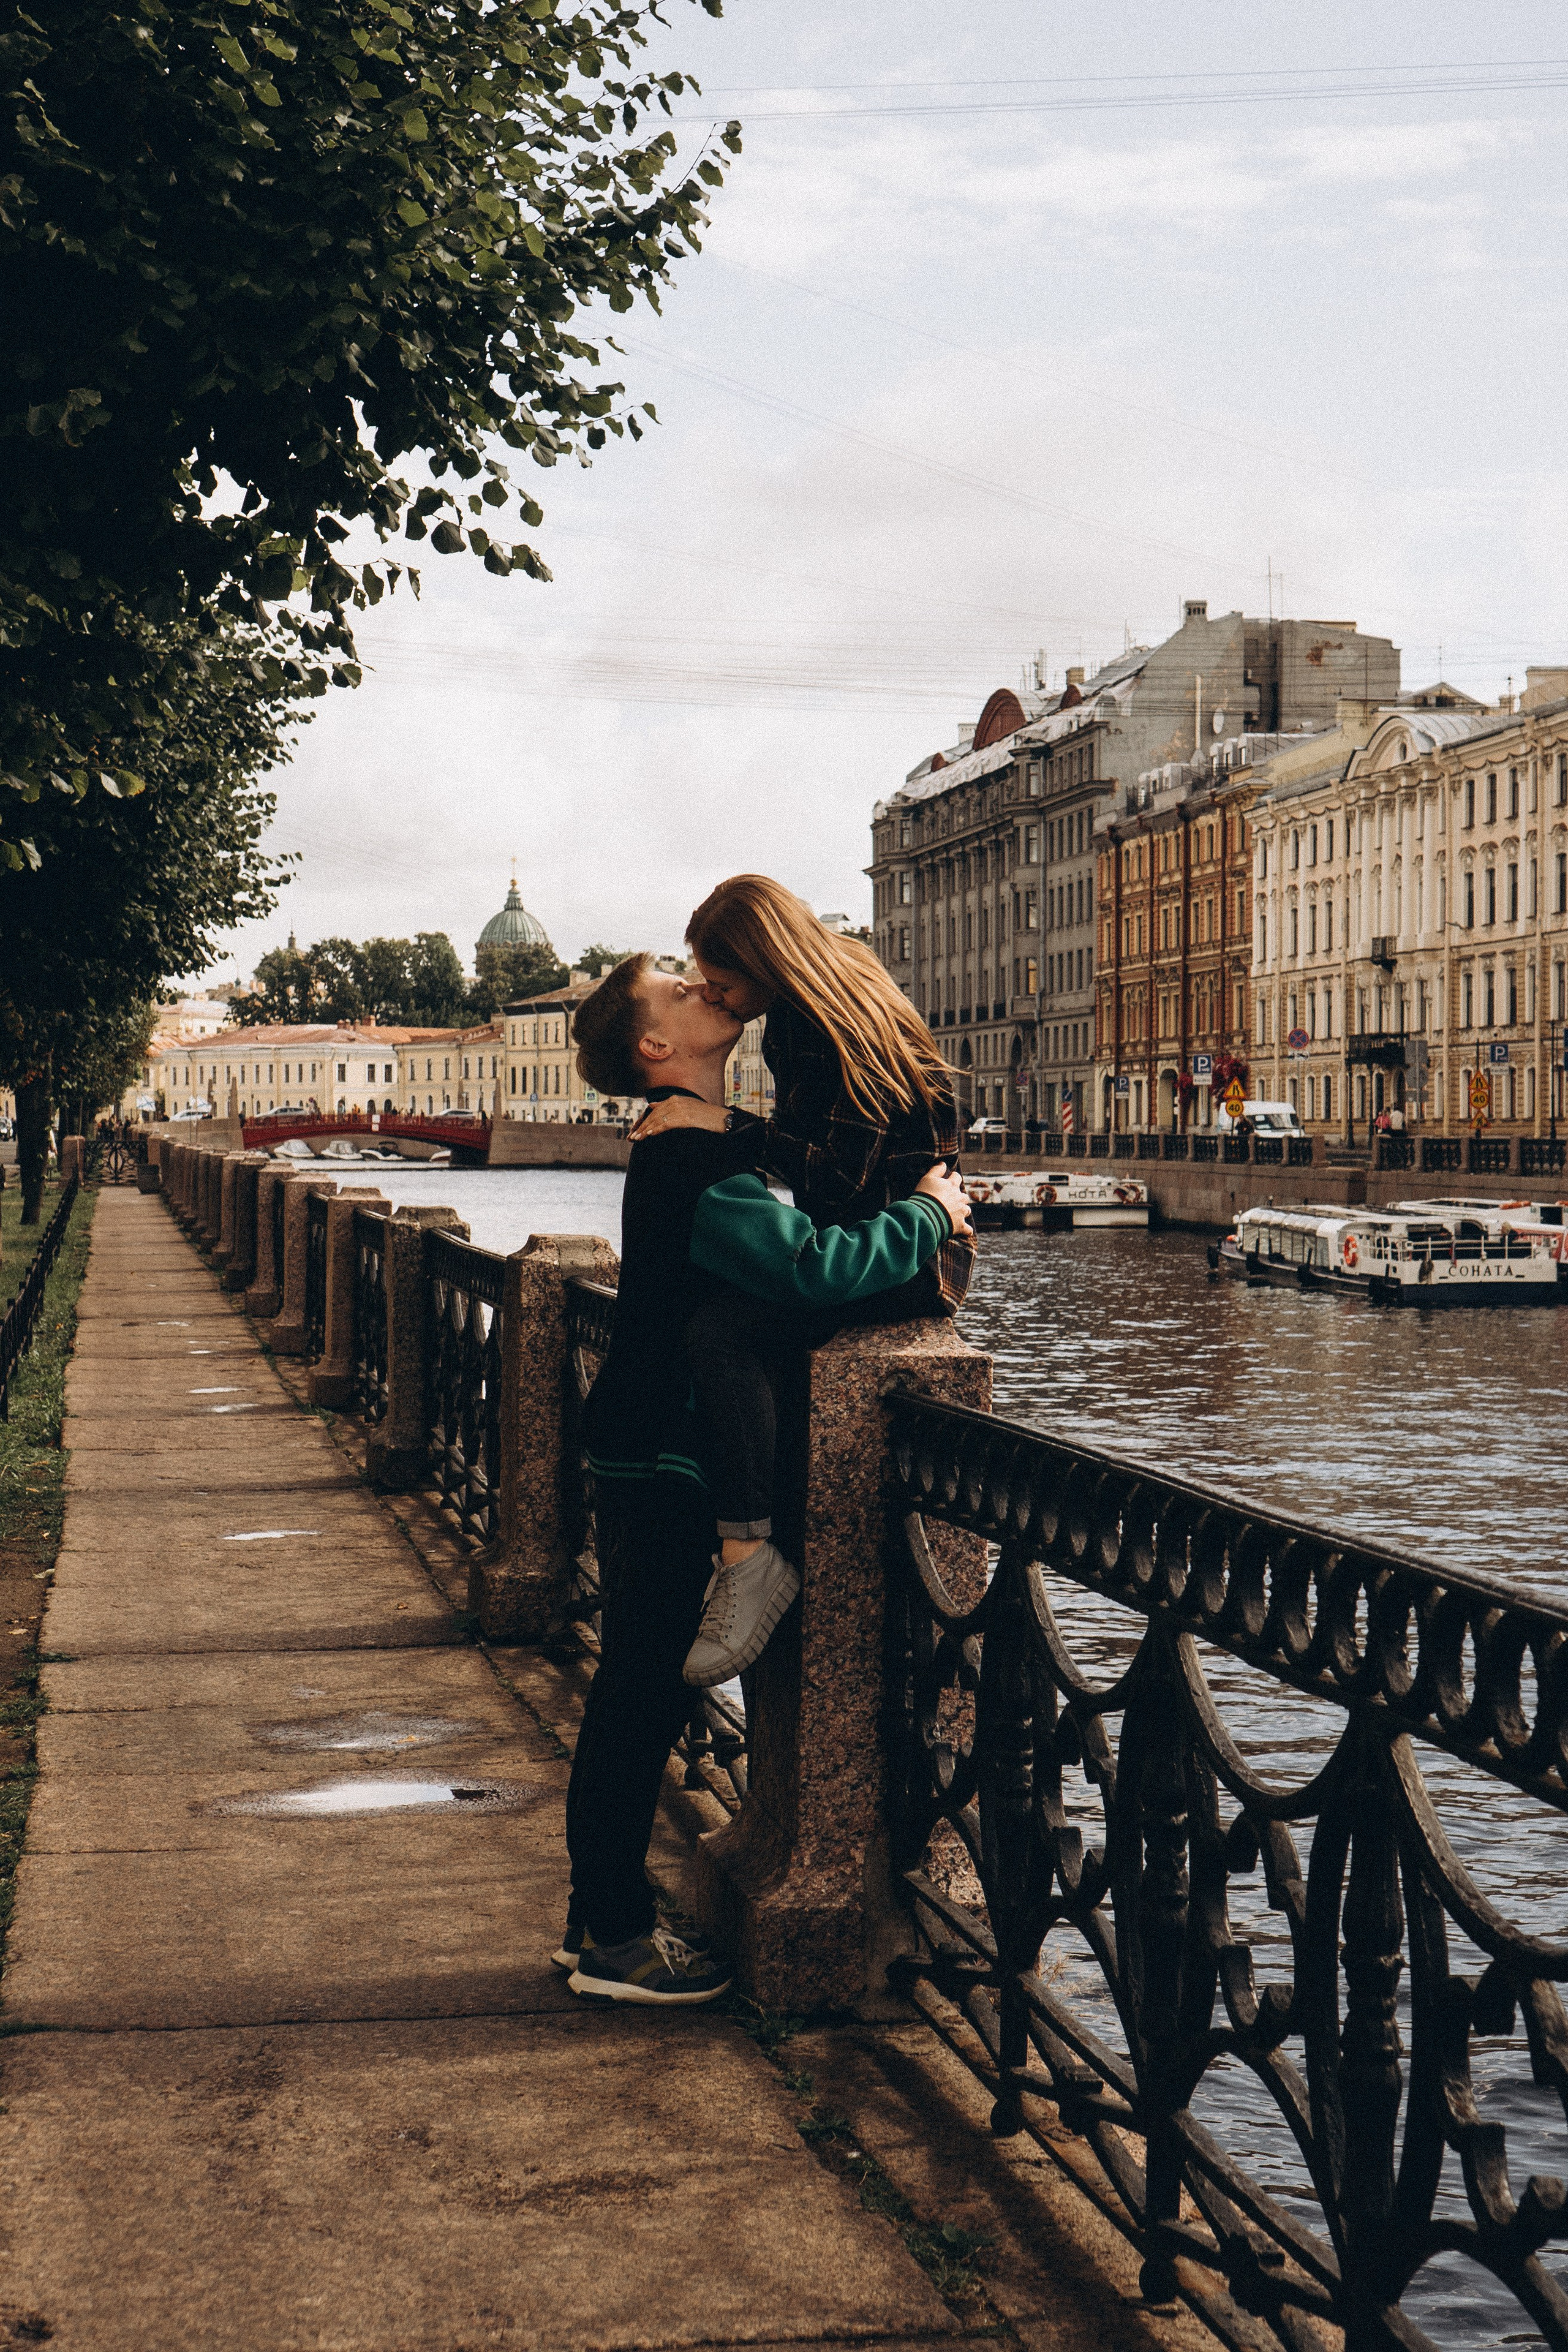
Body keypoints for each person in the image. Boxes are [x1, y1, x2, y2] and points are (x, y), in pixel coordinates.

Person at [562, 954, 971, 2007]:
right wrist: (929, 1215)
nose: (703, 988)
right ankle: (610, 1938)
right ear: (657, 1048)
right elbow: (812, 1268)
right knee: (637, 1696)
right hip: (661, 1455)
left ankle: (597, 1921)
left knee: (633, 1689)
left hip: (643, 1441)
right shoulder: (693, 1167)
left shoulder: (697, 1139)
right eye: (678, 987)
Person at [632, 876, 973, 1688]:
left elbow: (830, 1179)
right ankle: (748, 1545)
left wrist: (715, 1129)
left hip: (911, 1258)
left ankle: (749, 1557)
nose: (716, 996)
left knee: (721, 1329)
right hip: (901, 1240)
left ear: (763, 962)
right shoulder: (841, 979)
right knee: (732, 1308)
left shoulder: (820, 1022)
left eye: (723, 983)